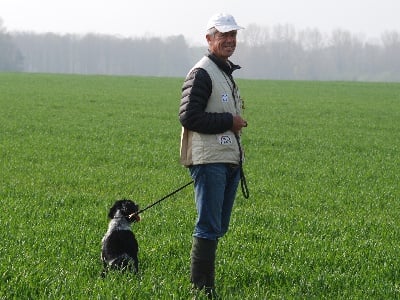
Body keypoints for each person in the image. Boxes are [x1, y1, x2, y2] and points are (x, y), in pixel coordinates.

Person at [178, 12, 247, 298]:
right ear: (209, 39)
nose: (229, 40)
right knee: (208, 225)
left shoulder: (224, 71)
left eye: (233, 35)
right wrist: (228, 122)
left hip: (227, 159)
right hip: (209, 161)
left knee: (218, 225)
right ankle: (202, 289)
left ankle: (205, 286)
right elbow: (188, 116)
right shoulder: (203, 72)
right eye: (223, 36)